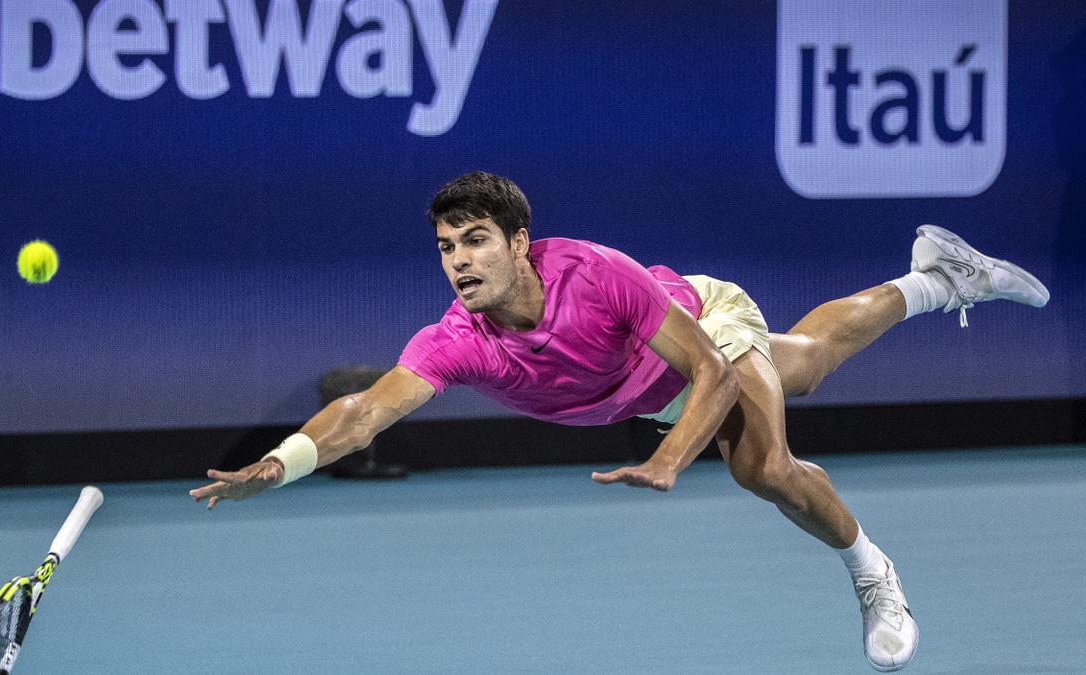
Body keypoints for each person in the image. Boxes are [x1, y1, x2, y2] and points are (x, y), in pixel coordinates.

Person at [190, 171, 1049, 671]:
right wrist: (283, 460)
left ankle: (872, 571)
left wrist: (673, 459)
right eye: (448, 247)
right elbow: (366, 409)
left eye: (477, 240)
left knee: (762, 465)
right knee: (812, 362)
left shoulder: (595, 274)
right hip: (646, 390)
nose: (460, 262)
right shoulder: (456, 340)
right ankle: (939, 278)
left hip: (700, 331)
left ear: (520, 241)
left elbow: (708, 368)